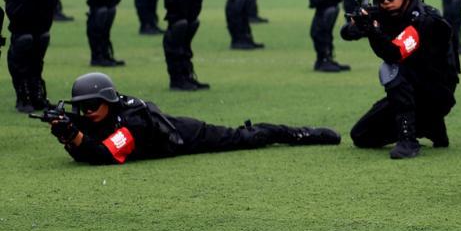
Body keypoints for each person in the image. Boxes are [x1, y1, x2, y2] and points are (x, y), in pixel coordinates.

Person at [41, 72, 340, 165]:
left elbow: (101, 155)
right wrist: (69, 133)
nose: (87, 112)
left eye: (93, 105)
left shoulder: (131, 122)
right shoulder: (100, 118)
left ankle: (300, 133)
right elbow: (87, 145)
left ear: (108, 101)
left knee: (245, 138)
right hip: (169, 132)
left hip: (186, 135)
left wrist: (71, 135)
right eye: (81, 108)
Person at [341, 0, 459, 159]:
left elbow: (394, 54)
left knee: (392, 69)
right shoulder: (387, 14)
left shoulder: (424, 20)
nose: (385, 1)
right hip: (413, 89)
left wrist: (373, 31)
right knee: (361, 136)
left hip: (437, 93)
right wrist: (359, 22)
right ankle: (431, 126)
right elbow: (346, 33)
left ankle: (408, 140)